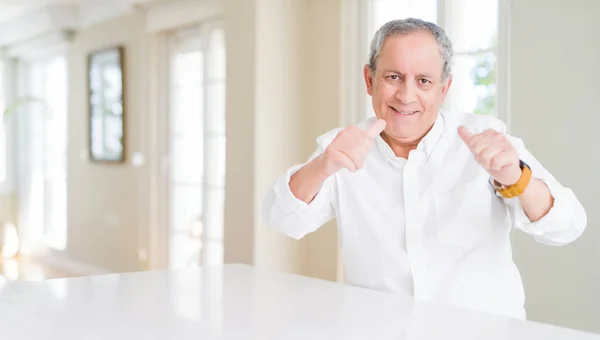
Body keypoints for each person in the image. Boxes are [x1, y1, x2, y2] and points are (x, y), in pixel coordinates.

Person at [262, 18, 587, 319]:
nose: (406, 95)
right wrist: (322, 166)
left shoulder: (487, 137)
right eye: (393, 77)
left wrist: (515, 178)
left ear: (444, 88)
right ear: (369, 79)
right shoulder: (342, 146)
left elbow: (567, 226)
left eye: (424, 81)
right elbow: (282, 218)